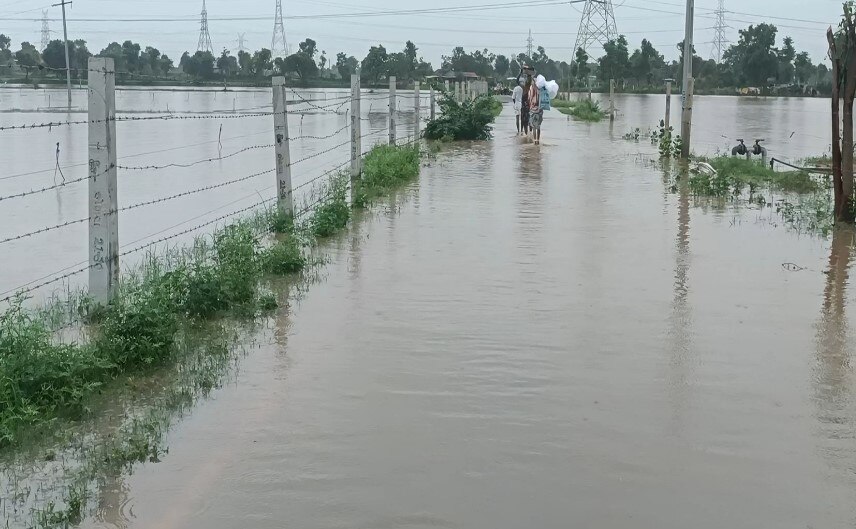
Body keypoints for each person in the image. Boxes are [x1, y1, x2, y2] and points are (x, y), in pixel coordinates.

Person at [528, 78, 543, 145]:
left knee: (534, 126)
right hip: (539, 110)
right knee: (538, 126)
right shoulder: (540, 90)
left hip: (533, 111)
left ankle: (535, 140)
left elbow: (529, 99)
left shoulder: (531, 89)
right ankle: (537, 140)